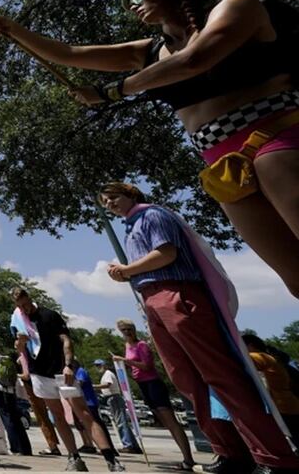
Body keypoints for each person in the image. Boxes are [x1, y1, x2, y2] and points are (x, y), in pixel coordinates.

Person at [0, 0, 299, 298]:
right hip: (221, 165)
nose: (132, 5)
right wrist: (13, 30)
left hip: (274, 139)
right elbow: (70, 54)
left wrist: (113, 91)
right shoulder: (149, 52)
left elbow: (195, 59)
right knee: (295, 280)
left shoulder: (238, 6)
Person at [101, 182, 299, 474]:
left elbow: (166, 253)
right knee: (186, 380)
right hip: (151, 299)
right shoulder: (130, 227)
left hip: (177, 294)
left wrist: (127, 270)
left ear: (131, 194)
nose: (109, 203)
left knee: (220, 374)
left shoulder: (152, 215)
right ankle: (230, 451)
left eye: (113, 197)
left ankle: (273, 456)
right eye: (104, 201)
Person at [10, 286, 125, 472]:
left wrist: (69, 365)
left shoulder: (49, 315)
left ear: (30, 298)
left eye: (26, 304)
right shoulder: (18, 321)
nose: (25, 309)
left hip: (61, 370)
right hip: (39, 372)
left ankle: (110, 458)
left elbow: (66, 341)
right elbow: (20, 350)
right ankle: (74, 457)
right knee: (57, 416)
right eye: (20, 306)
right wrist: (20, 342)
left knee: (84, 413)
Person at [113, 318, 194, 467]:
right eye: (123, 330)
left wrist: (125, 361)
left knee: (170, 420)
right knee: (162, 420)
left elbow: (146, 366)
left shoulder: (141, 345)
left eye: (128, 329)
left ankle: (188, 458)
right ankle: (185, 458)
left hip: (153, 383)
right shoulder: (127, 346)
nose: (126, 332)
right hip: (142, 384)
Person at [0, 336, 32, 456]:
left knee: (7, 418)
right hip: (10, 390)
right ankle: (25, 448)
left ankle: (16, 448)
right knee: (15, 418)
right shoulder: (2, 356)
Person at [242, 334, 299, 440]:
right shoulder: (271, 357)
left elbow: (240, 358)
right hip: (289, 405)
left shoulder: (261, 357)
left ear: (250, 345)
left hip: (283, 407)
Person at [94, 359, 141, 454]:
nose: (98, 367)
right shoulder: (106, 374)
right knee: (121, 421)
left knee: (120, 422)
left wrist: (94, 386)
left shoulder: (108, 374)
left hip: (114, 397)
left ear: (104, 365)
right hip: (112, 398)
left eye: (99, 365)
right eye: (96, 366)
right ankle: (133, 445)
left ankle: (128, 444)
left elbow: (107, 384)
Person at [72, 359, 115, 453]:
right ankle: (90, 444)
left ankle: (109, 447)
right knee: (86, 424)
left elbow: (80, 383)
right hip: (83, 402)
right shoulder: (75, 372)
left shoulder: (80, 371)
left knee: (97, 424)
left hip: (89, 402)